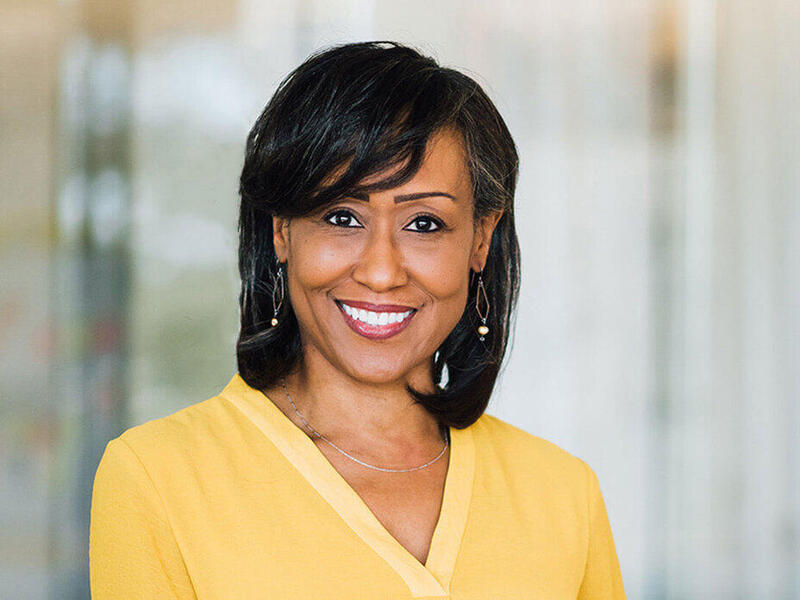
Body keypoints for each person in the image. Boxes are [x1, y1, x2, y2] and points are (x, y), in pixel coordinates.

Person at [89, 40, 626, 599]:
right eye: (341, 216)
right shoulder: (158, 478)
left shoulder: (564, 494)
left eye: (424, 224)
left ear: (480, 240)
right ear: (281, 231)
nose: (380, 271)